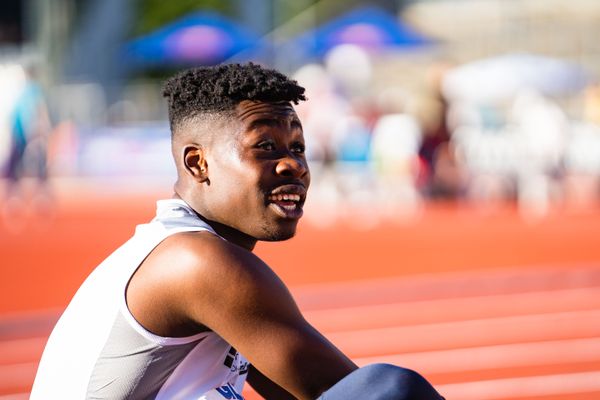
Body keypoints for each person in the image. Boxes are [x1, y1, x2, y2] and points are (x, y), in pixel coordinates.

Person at [31, 63, 443, 400]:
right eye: (265, 147)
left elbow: (295, 389)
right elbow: (340, 390)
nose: (293, 165)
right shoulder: (199, 264)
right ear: (198, 164)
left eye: (298, 147)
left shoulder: (179, 249)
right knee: (393, 390)